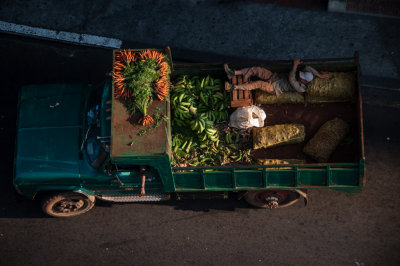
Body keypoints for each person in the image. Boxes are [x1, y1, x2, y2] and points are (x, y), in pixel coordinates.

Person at [224, 59, 330, 95]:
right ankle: (233, 73)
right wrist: (319, 74)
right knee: (257, 70)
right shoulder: (306, 76)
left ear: (305, 82)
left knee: (258, 84)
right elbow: (308, 67)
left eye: (302, 78)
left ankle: (233, 87)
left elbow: (291, 79)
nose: (300, 76)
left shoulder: (301, 88)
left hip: (274, 88)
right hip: (274, 76)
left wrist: (295, 65)